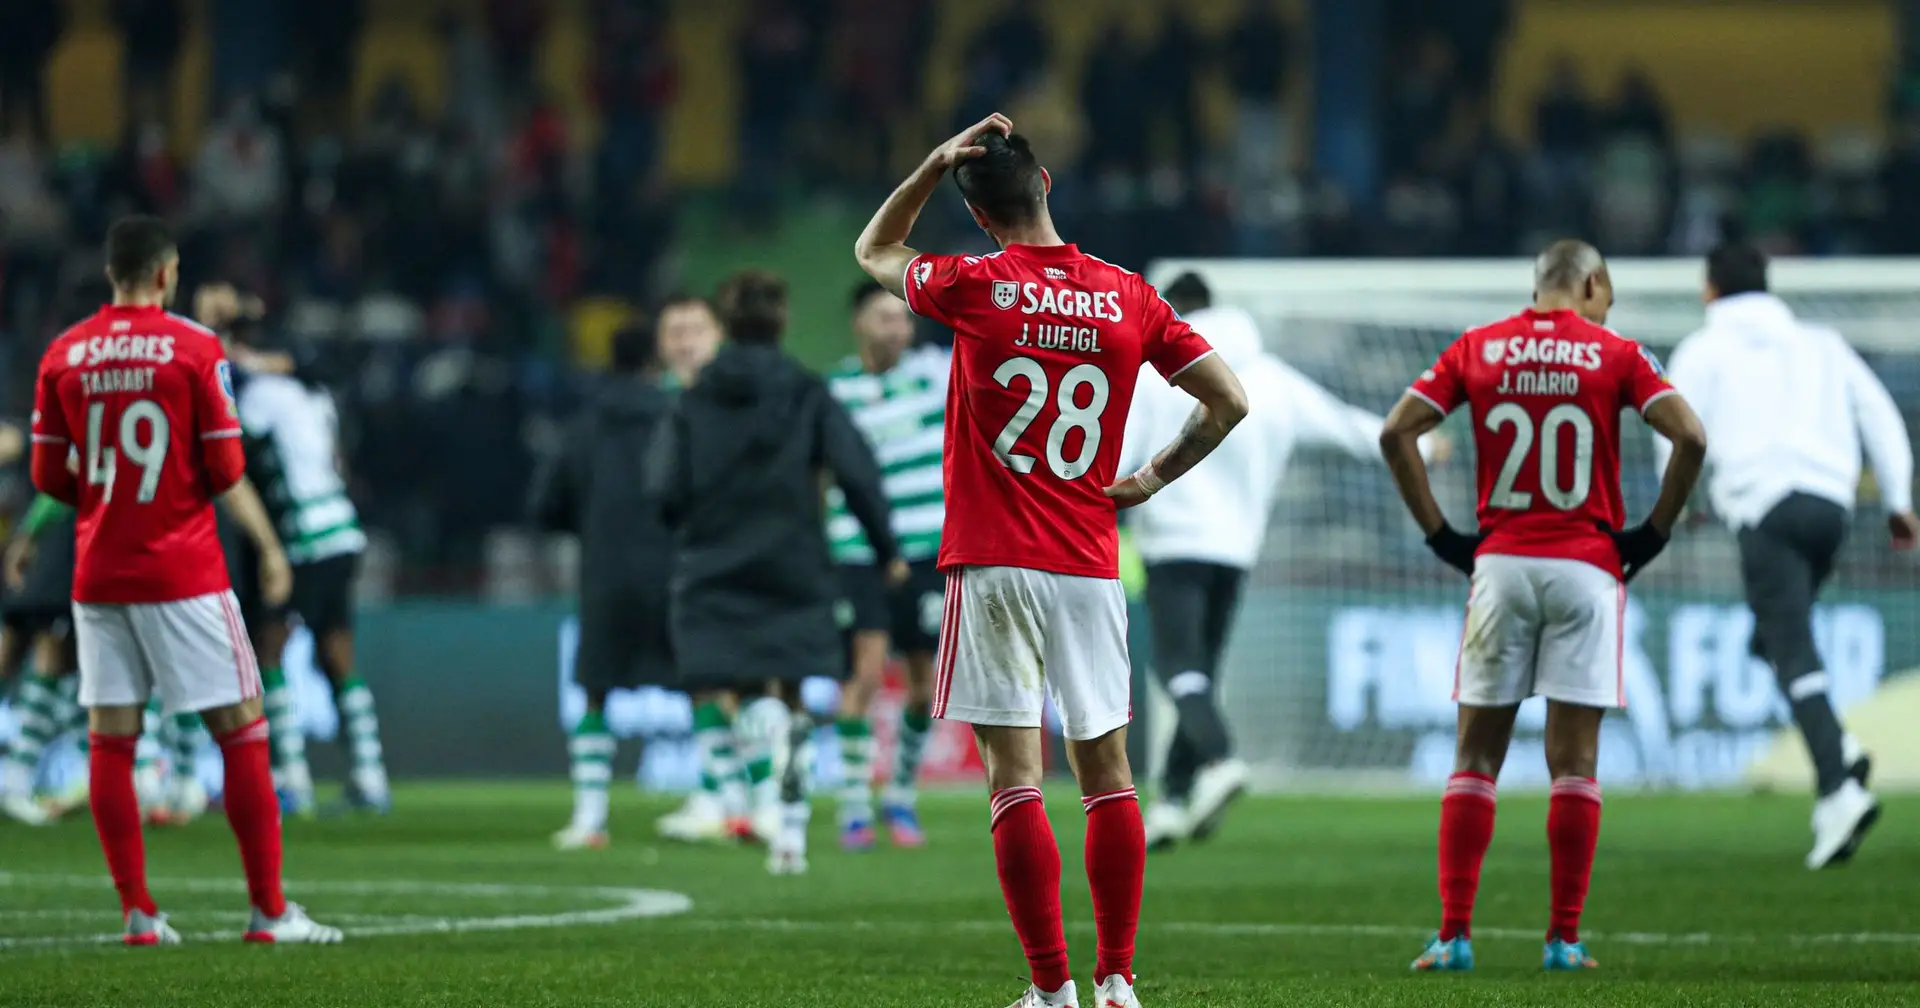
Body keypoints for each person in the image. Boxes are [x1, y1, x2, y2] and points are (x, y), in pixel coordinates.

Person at [855, 116, 1248, 1008]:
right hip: (1086, 560)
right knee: (1107, 774)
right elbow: (1228, 401)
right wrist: (1148, 478)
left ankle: (1051, 990)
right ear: (1047, 186)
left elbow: (874, 247)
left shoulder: (972, 285)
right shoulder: (1129, 296)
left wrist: (931, 162)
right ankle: (1117, 982)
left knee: (1015, 777)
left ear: (979, 215)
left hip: (993, 561)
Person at [1379, 239, 1706, 972]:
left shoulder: (1479, 347)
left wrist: (1440, 536)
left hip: (1502, 564)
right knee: (1575, 762)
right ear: (1591, 283)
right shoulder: (1617, 352)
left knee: (1475, 757)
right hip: (1587, 568)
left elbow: (1396, 431)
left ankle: (1454, 936)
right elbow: (1690, 436)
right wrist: (1651, 535)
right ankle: (1563, 940)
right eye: (1606, 296)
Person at [30, 215, 340, 944]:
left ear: (114, 273)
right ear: (167, 274)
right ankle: (268, 910)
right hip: (184, 570)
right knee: (241, 732)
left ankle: (139, 913)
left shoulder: (64, 353)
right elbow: (228, 470)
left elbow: (49, 475)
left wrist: (110, 493)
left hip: (100, 571)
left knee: (111, 740)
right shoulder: (196, 349)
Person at [1122, 272, 1446, 851]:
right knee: (1203, 673)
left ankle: (1219, 761)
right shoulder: (1273, 379)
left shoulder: (1160, 373)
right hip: (1237, 550)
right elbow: (1347, 426)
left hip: (1173, 541)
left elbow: (1123, 450)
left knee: (1176, 667)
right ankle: (1172, 800)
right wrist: (1420, 445)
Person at [1655, 242, 1916, 869]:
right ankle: (1842, 748)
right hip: (1830, 510)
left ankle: (1838, 788)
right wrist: (1900, 501)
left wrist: (1676, 505)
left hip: (1765, 508)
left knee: (1790, 645)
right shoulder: (1822, 343)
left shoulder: (1703, 348)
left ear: (1709, 289)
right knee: (1773, 638)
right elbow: (1880, 416)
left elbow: (1678, 430)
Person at [645, 269, 903, 876]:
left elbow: (661, 487)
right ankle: (787, 836)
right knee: (786, 687)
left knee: (722, 683)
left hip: (712, 564)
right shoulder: (807, 391)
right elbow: (857, 472)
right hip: (794, 561)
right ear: (781, 321)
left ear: (727, 326)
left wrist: (689, 525)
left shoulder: (695, 396)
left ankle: (748, 782)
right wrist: (885, 546)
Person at [530, 319, 677, 851]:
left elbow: (545, 506)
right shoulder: (675, 415)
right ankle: (724, 801)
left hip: (605, 571)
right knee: (710, 682)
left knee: (595, 690)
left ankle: (590, 817)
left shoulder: (583, 425)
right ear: (652, 364)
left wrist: (593, 526)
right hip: (675, 571)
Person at [825, 281, 949, 851]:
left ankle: (899, 794)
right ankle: (853, 805)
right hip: (858, 553)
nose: (897, 329)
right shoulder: (834, 393)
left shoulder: (935, 376)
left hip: (927, 549)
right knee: (866, 674)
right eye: (884, 318)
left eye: (903, 319)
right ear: (858, 324)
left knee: (925, 685)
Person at [644, 293, 761, 845]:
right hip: (681, 561)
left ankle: (743, 797)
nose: (686, 341)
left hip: (745, 558)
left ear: (719, 337)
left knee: (741, 679)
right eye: (675, 331)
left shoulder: (742, 400)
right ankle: (726, 794)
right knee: (704, 680)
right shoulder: (653, 407)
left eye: (696, 329)